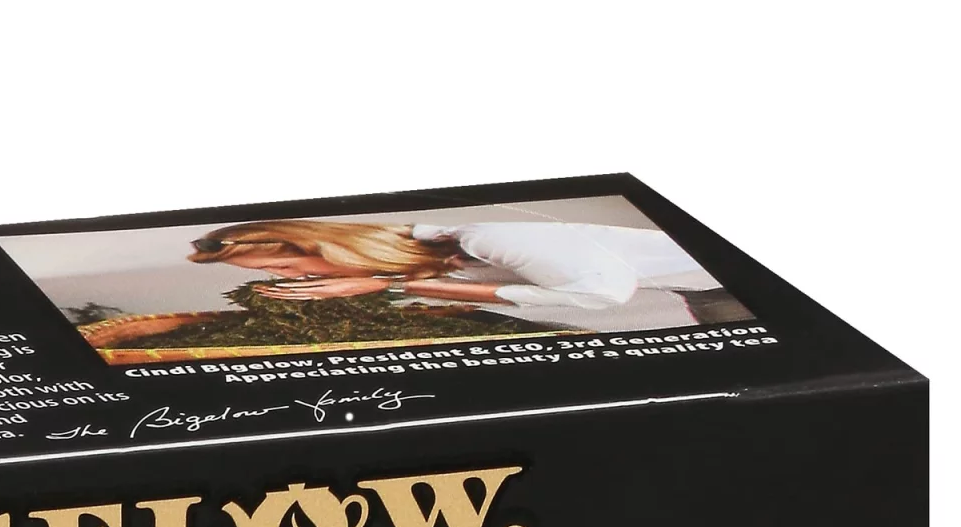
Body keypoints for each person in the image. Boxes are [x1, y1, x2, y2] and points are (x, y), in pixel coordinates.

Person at [188, 214, 741, 324]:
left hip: (736, 281)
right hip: (702, 294)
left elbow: (603, 295)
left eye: (285, 265)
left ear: (319, 244)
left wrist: (399, 284)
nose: (291, 279)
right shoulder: (437, 250)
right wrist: (390, 283)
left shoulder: (488, 237)